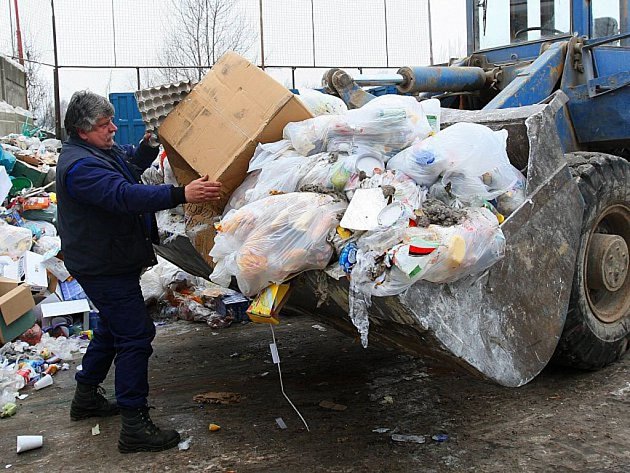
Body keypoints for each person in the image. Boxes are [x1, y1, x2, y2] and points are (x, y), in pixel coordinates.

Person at [56, 90, 222, 453]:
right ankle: (135, 425)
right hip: (103, 265)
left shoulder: (96, 151)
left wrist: (148, 145)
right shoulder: (80, 167)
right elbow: (124, 195)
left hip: (110, 258)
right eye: (105, 125)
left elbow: (127, 164)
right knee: (135, 335)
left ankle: (85, 398)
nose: (113, 128)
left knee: (111, 329)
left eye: (112, 121)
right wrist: (182, 194)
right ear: (82, 131)